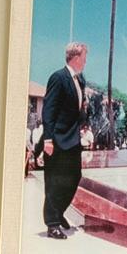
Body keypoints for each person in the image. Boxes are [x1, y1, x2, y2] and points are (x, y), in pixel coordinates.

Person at [41, 43, 91, 239]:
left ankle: (59, 211)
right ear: (76, 58)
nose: (85, 62)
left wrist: (84, 123)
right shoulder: (58, 77)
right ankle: (52, 224)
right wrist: (47, 140)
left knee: (74, 177)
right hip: (57, 139)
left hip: (72, 139)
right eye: (84, 58)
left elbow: (76, 109)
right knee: (55, 181)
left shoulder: (80, 80)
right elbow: (49, 109)